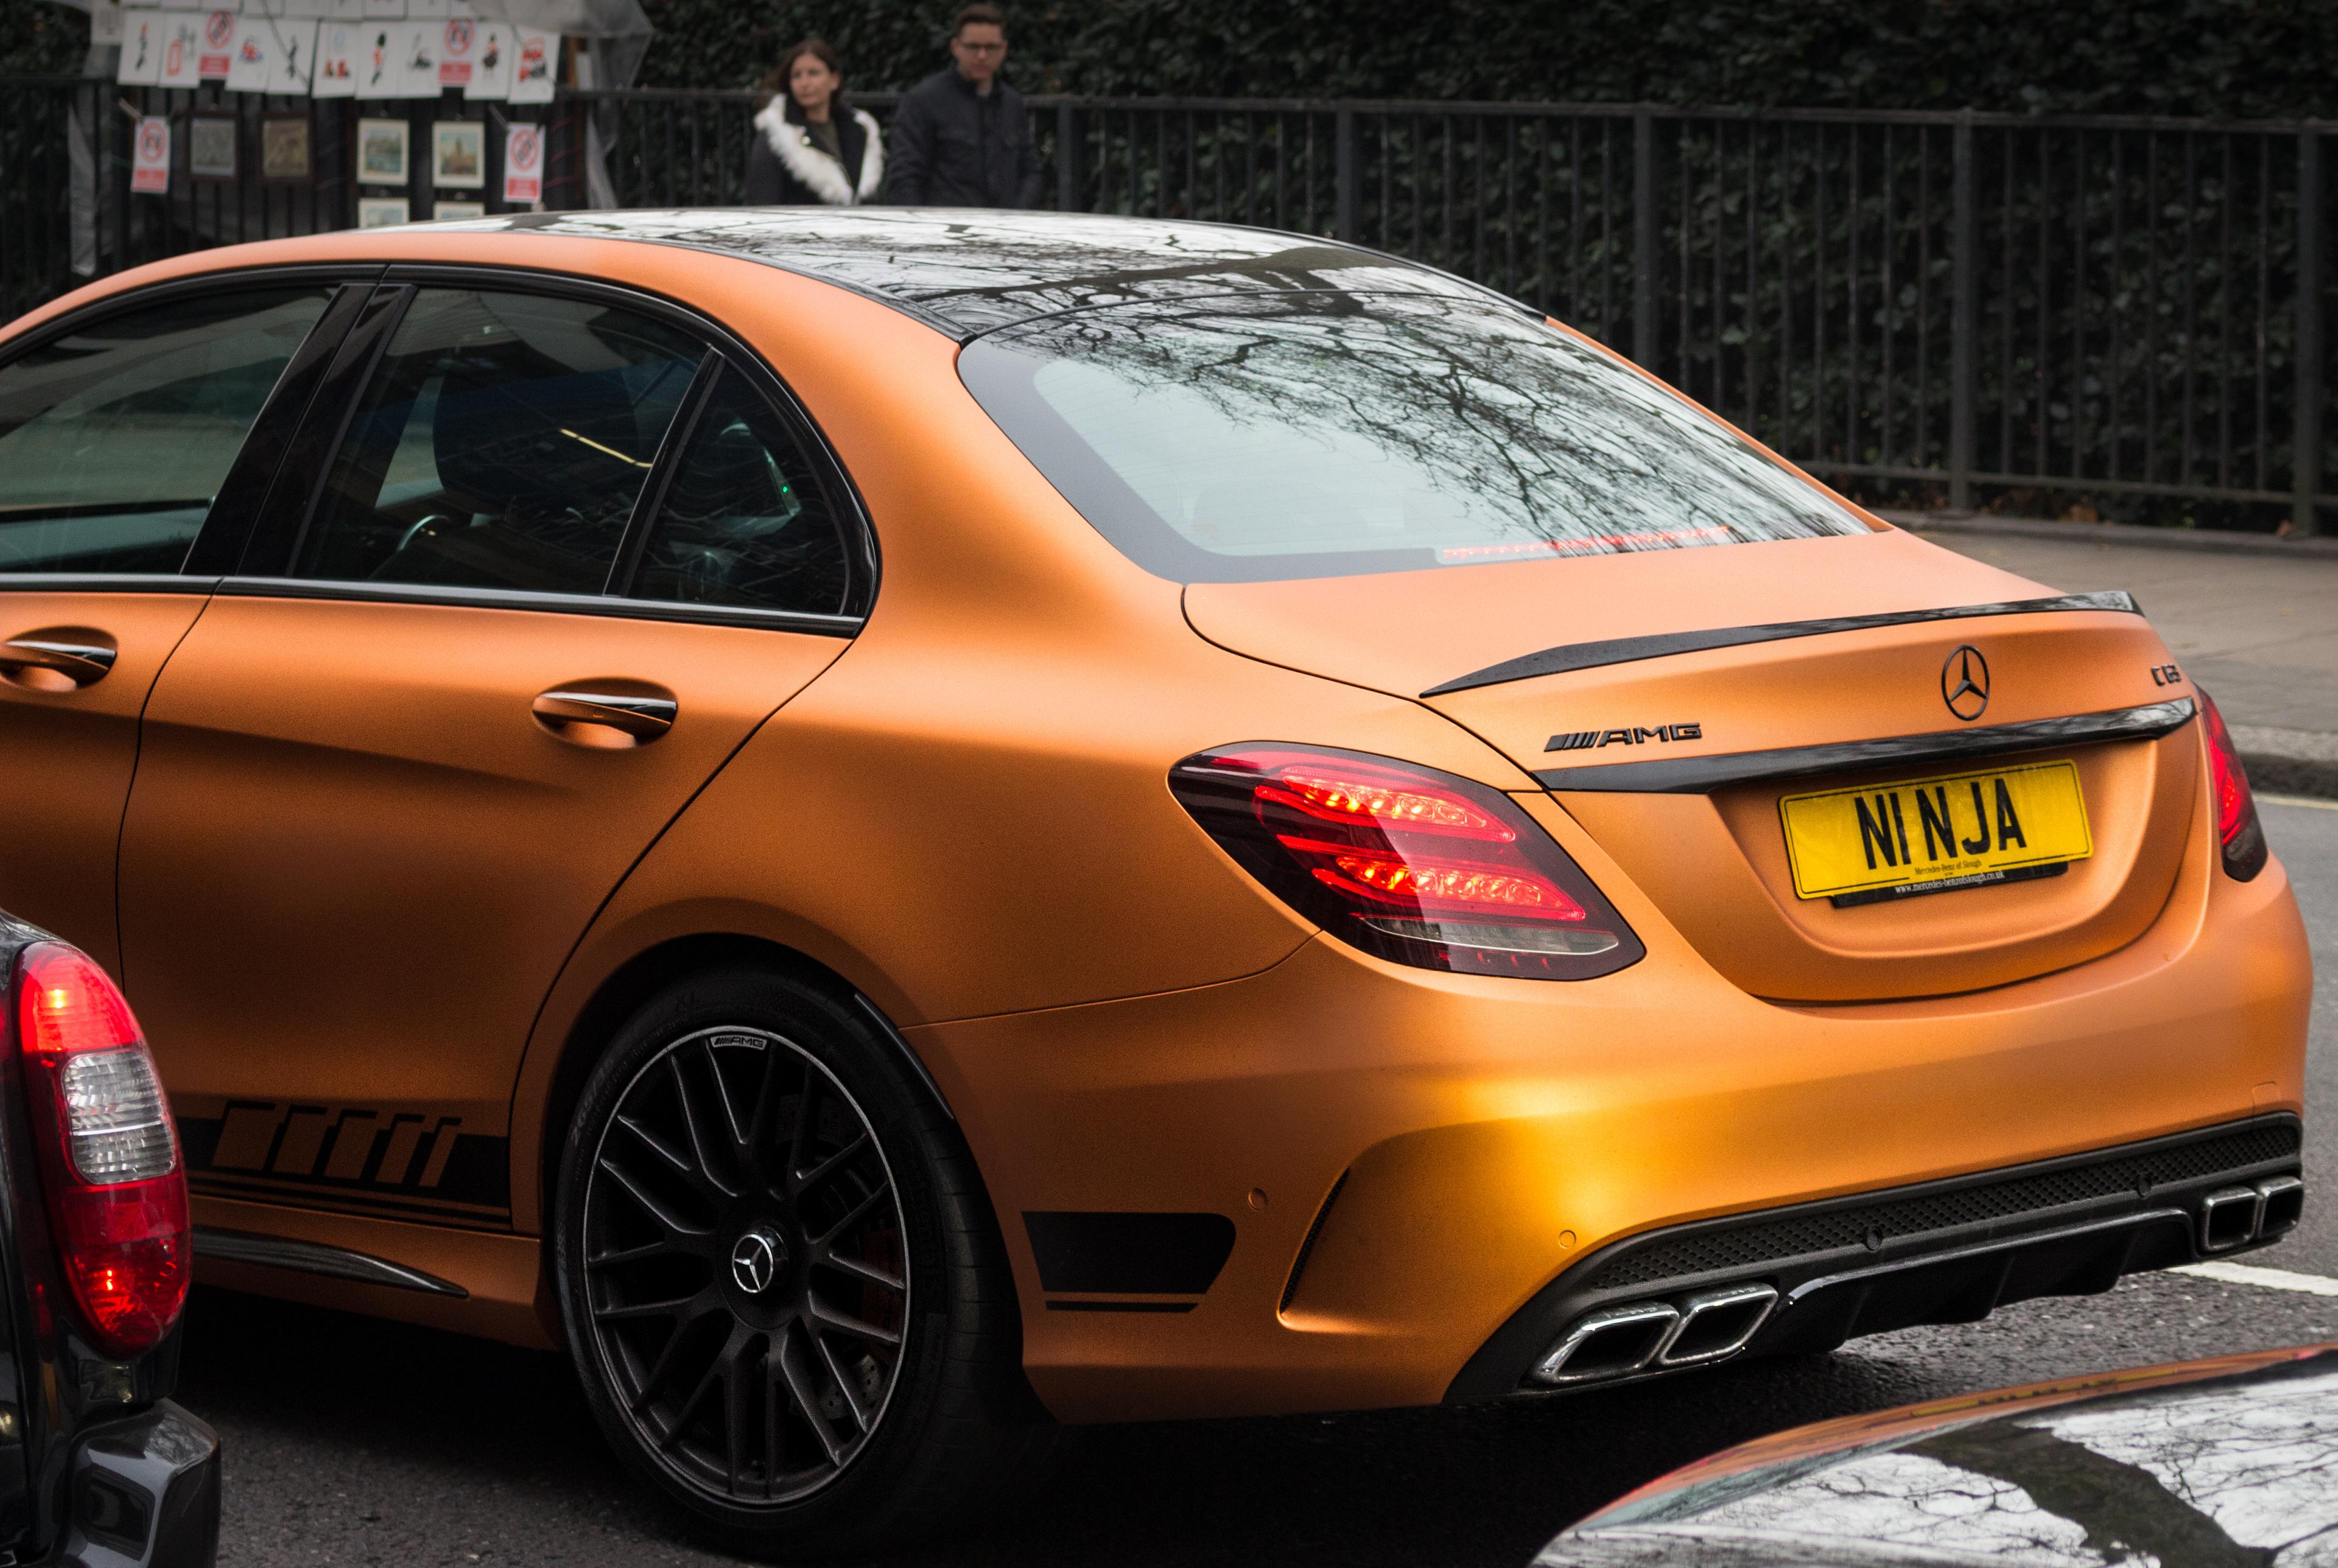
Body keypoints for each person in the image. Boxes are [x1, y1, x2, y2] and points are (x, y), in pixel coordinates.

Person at [883, 4, 1041, 208]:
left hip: (1005, 230)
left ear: (1004, 49)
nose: (982, 56)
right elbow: (905, 177)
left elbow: (1030, 170)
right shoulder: (923, 101)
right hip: (944, 232)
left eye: (991, 47)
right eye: (973, 47)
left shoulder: (1012, 103)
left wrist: (1016, 217)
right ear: (956, 47)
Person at [747, 40, 884, 206]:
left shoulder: (860, 128)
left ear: (834, 80)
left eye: (814, 73)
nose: (804, 83)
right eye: (797, 75)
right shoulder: (775, 137)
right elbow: (764, 203)